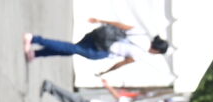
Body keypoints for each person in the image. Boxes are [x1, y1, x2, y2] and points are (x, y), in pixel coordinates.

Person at [24, 19, 171, 70]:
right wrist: (106, 72)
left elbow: (119, 25)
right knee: (72, 48)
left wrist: (100, 20)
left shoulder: (142, 33)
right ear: (156, 50)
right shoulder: (140, 54)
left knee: (71, 50)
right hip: (101, 50)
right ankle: (34, 39)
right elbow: (120, 64)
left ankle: (36, 53)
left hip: (100, 34)